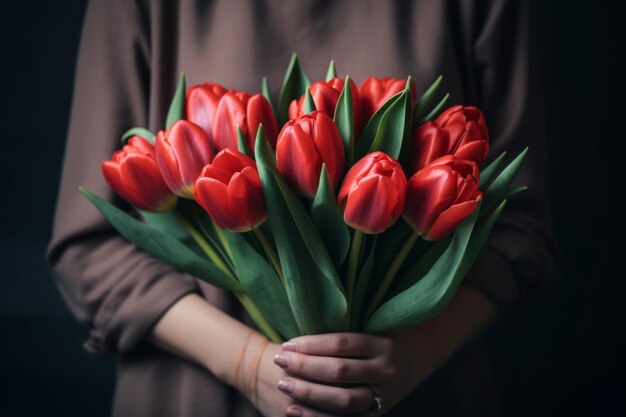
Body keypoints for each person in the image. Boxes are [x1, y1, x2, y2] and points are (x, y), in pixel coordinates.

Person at [47, 0, 559, 416]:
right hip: (195, 399)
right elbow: (89, 247)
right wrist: (248, 364)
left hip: (424, 392)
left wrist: (415, 355)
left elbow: (518, 229)